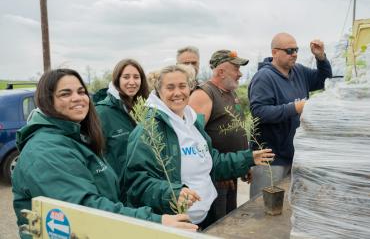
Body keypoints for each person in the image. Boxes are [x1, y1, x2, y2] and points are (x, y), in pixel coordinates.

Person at [12, 69, 198, 238]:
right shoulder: (46, 151)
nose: (78, 98)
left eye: (81, 91)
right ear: (47, 100)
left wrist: (167, 193)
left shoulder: (77, 138)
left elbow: (116, 191)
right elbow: (85, 209)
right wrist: (155, 222)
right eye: (65, 94)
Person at [123, 65, 275, 229]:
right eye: (170, 87)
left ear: (190, 88)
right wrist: (171, 193)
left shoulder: (192, 122)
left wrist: (248, 158)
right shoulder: (148, 130)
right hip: (176, 223)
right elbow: (136, 182)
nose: (177, 93)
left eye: (182, 86)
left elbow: (211, 161)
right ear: (159, 91)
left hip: (205, 216)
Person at [248, 32, 333, 198]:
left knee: (287, 208)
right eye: (289, 50)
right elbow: (259, 112)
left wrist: (321, 58)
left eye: (296, 49)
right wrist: (294, 108)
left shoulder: (298, 71)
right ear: (274, 52)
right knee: (263, 208)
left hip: (294, 155)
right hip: (270, 160)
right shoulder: (264, 77)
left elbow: (325, 80)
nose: (294, 54)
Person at [188, 50, 249, 220]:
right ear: (221, 72)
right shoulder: (204, 94)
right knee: (217, 226)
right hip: (215, 179)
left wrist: (243, 165)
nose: (240, 73)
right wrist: (215, 172)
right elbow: (194, 140)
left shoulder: (230, 92)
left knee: (229, 221)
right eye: (236, 69)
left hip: (230, 172)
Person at [95, 59, 149, 201]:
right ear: (117, 79)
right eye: (126, 77)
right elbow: (96, 156)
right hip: (120, 192)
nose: (132, 82)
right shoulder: (102, 113)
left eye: (136, 77)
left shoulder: (146, 109)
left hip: (144, 187)